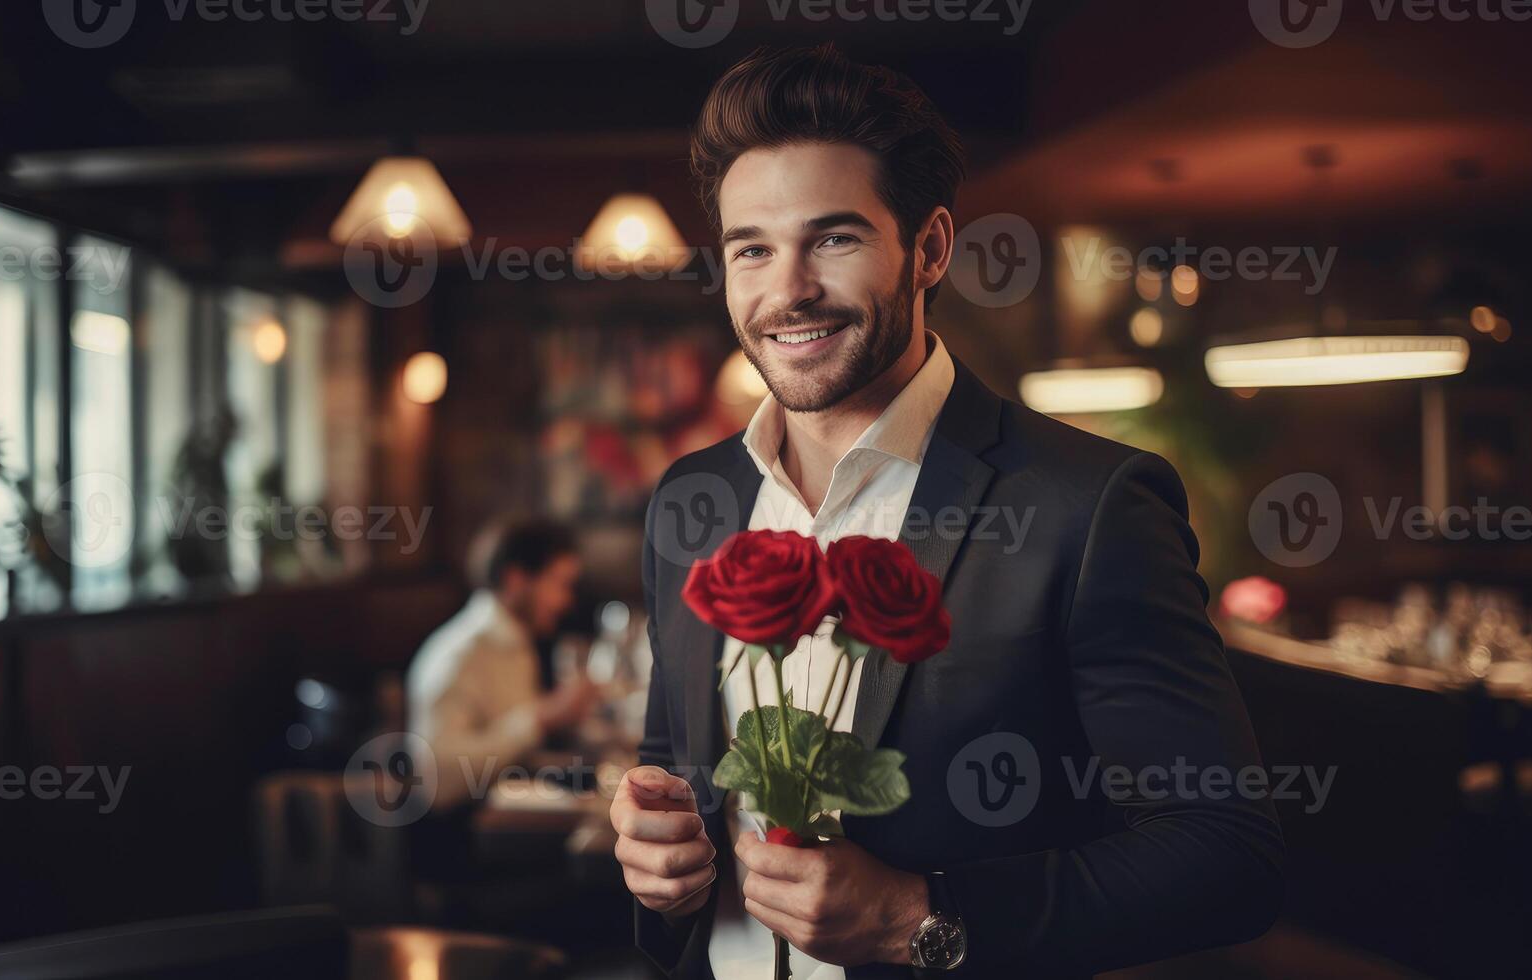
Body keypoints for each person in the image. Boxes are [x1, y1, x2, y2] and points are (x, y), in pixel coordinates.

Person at [609, 46, 1284, 979]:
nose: (787, 288)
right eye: (751, 248)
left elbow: (1227, 854)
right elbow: (672, 773)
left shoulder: (1086, 504)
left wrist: (922, 919)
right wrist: (658, 862)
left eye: (834, 239)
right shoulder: (690, 498)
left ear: (928, 248)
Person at [407, 518, 599, 812]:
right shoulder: (462, 653)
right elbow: (435, 777)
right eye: (559, 584)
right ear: (516, 580)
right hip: (462, 836)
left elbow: (515, 755)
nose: (566, 601)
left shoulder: (517, 641)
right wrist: (541, 718)